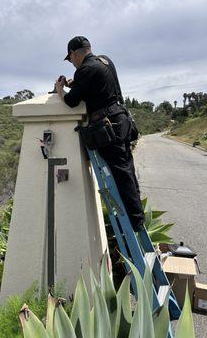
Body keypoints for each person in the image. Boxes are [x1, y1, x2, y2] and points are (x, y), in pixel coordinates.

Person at [55, 36, 145, 231]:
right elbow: (97, 85)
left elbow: (70, 102)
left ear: (74, 53)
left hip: (108, 127)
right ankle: (138, 217)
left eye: (70, 59)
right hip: (121, 121)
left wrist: (60, 89)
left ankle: (134, 224)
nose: (72, 63)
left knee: (120, 174)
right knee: (127, 170)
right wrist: (75, 83)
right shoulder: (104, 60)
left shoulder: (84, 70)